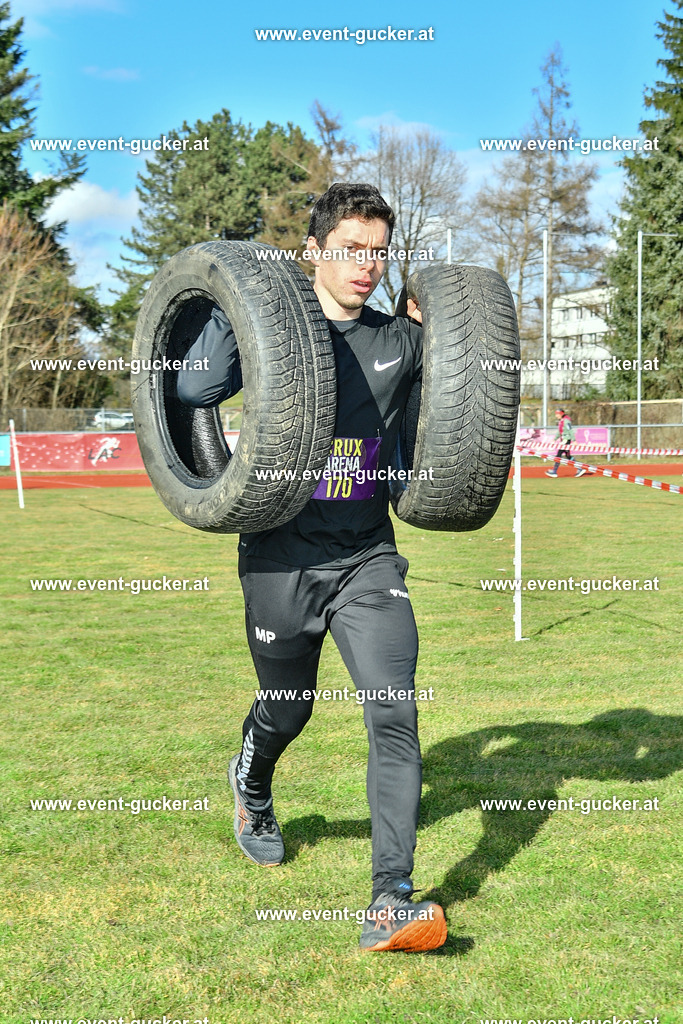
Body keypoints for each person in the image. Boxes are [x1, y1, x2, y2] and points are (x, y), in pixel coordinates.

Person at [177, 183, 448, 953]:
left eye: (377, 253)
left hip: (365, 558)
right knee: (286, 708)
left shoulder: (399, 340)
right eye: (349, 251)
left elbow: (464, 402)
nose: (365, 266)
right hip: (279, 558)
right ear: (315, 255)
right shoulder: (276, 338)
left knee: (393, 711)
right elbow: (193, 388)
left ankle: (390, 898)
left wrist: (441, 327)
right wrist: (239, 304)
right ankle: (252, 783)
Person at [545, 407, 587, 478]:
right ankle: (580, 468)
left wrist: (574, 440)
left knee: (559, 454)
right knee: (568, 456)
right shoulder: (561, 421)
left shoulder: (566, 421)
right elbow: (560, 431)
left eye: (558, 414)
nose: (556, 416)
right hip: (563, 439)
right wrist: (555, 439)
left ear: (561, 414)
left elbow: (570, 430)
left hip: (566, 440)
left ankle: (554, 471)